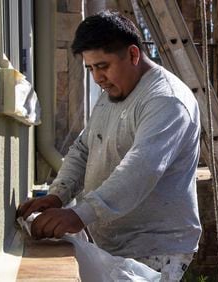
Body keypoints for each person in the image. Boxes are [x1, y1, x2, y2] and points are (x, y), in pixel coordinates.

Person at [17, 11, 201, 281]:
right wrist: (58, 195)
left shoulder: (167, 101)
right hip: (113, 242)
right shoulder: (113, 91)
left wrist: (80, 214)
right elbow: (83, 149)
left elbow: (141, 168)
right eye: (90, 68)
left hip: (157, 249)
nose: (97, 78)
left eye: (103, 66)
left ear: (134, 55)